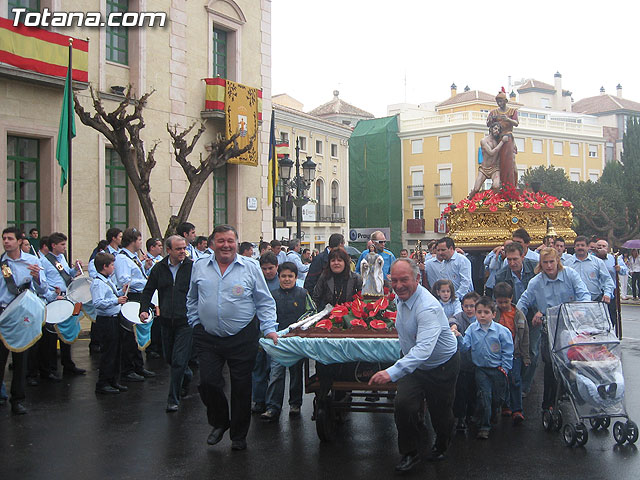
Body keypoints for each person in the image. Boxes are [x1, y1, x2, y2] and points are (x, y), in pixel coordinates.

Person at [186, 224, 278, 451]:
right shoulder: (199, 266)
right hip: (207, 337)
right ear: (212, 244)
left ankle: (238, 436)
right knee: (207, 382)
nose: (225, 245)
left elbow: (264, 301)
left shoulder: (249, 267)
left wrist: (268, 329)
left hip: (242, 337)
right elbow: (192, 298)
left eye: (230, 241)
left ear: (236, 243)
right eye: (221, 241)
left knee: (241, 387)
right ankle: (219, 422)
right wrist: (195, 323)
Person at [369, 258, 459, 473]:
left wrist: (391, 372)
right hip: (414, 365)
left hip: (441, 365)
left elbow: (424, 350)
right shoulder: (401, 297)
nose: (399, 285)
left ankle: (442, 444)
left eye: (405, 280)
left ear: (417, 279)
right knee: (403, 405)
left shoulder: (427, 307)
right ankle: (410, 452)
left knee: (441, 413)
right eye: (395, 280)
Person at [516, 247, 590, 411]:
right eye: (545, 262)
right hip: (550, 327)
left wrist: (580, 309)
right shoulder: (536, 281)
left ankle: (577, 395)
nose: (549, 266)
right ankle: (548, 403)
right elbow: (524, 301)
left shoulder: (570, 274)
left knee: (575, 361)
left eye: (552, 261)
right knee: (551, 364)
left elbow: (584, 293)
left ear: (558, 261)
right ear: (540, 264)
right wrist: (517, 320)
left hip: (571, 325)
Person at [139, 235, 193, 412]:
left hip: (186, 321)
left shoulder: (192, 267)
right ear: (168, 250)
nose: (182, 252)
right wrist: (144, 309)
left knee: (178, 360)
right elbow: (148, 291)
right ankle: (187, 375)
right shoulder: (159, 269)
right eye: (178, 249)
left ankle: (173, 399)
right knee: (170, 358)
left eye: (184, 248)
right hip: (166, 321)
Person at [0, 226, 47, 414]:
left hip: (22, 314)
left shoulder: (32, 261)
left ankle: (17, 399)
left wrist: (36, 277)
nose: (6, 242)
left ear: (20, 241)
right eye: (4, 238)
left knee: (21, 359)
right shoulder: (1, 263)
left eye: (10, 238)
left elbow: (43, 290)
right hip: (3, 314)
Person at [261, 262, 315, 421]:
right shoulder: (272, 295)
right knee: (276, 374)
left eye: (290, 276)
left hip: (296, 341)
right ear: (278, 277)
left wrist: (299, 326)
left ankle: (295, 404)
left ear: (296, 277)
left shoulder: (303, 294)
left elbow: (312, 312)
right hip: (278, 341)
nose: (286, 279)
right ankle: (272, 407)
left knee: (296, 374)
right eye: (283, 276)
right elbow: (266, 315)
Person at [455, 296, 513, 439]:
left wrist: (505, 368)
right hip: (481, 370)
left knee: (497, 399)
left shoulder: (501, 331)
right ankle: (484, 426)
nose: (482, 315)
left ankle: (493, 413)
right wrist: (458, 337)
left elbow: (508, 351)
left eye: (486, 312)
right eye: (479, 312)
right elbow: (465, 347)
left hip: (497, 369)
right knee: (484, 396)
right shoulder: (472, 329)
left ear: (493, 314)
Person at [494, 242, 538, 396]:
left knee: (532, 351)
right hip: (511, 316)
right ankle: (512, 383)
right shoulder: (501, 275)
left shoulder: (535, 268)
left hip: (533, 316)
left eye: (515, 259)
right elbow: (498, 299)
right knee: (512, 351)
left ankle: (524, 385)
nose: (512, 263)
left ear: (523, 256)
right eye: (509, 259)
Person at [40, 232, 86, 378]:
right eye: (62, 245)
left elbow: (65, 275)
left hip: (66, 297)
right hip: (54, 300)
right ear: (53, 245)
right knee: (52, 335)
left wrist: (75, 271)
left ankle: (68, 364)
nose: (64, 247)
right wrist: (53, 295)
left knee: (66, 333)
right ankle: (50, 368)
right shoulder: (45, 261)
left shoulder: (61, 259)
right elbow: (43, 283)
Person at [114, 227, 156, 382]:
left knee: (137, 332)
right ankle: (127, 369)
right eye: (139, 240)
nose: (140, 243)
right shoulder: (122, 258)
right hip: (131, 296)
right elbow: (125, 280)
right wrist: (145, 283)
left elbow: (136, 274)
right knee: (129, 334)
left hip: (139, 295)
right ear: (132, 241)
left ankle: (138, 366)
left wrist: (145, 268)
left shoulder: (133, 257)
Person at [90, 252, 128, 394]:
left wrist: (120, 292)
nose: (114, 267)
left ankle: (113, 380)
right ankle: (103, 382)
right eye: (112, 265)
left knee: (116, 351)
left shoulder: (107, 280)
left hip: (114, 317)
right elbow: (98, 303)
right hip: (106, 320)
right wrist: (116, 301)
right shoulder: (98, 283)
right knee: (108, 352)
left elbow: (110, 295)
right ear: (104, 267)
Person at [493, 282, 529, 425]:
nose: (502, 305)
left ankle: (517, 409)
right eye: (499, 302)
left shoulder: (518, 315)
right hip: (497, 355)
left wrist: (526, 356)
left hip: (515, 354)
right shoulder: (493, 313)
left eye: (506, 302)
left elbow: (524, 336)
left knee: (516, 381)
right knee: (502, 381)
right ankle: (505, 405)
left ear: (511, 298)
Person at [251, 251, 280, 414]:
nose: (267, 272)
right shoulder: (257, 281)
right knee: (258, 367)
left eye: (270, 268)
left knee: (273, 369)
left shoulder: (281, 282)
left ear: (277, 267)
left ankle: (272, 404)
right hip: (256, 331)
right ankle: (258, 400)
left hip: (274, 332)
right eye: (264, 269)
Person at [449, 291, 480, 432]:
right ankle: (460, 417)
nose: (469, 309)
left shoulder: (481, 318)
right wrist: (454, 326)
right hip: (462, 363)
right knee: (460, 391)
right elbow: (452, 320)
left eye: (472, 306)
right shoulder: (460, 317)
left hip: (477, 363)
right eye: (466, 306)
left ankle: (471, 415)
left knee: (474, 391)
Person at [564, 236, 615, 303]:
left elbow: (607, 280)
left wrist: (607, 294)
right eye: (578, 245)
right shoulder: (567, 264)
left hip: (595, 300)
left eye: (582, 245)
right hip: (574, 302)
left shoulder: (598, 262)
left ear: (588, 247)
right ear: (575, 247)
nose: (580, 247)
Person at [485, 87, 519, 187]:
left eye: (501, 101)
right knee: (497, 162)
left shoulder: (512, 111)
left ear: (506, 101)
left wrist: (508, 119)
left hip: (508, 138)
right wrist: (490, 120)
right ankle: (498, 182)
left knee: (509, 161)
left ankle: (510, 184)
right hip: (497, 138)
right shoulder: (493, 112)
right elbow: (488, 124)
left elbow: (516, 123)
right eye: (498, 101)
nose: (499, 103)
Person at [468, 122, 508, 198]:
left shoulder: (498, 141)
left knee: (496, 186)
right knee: (476, 189)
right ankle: (468, 201)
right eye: (495, 128)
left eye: (498, 130)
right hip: (484, 169)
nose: (497, 131)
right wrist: (502, 142)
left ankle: (490, 199)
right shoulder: (484, 141)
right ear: (491, 129)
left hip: (494, 168)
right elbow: (491, 153)